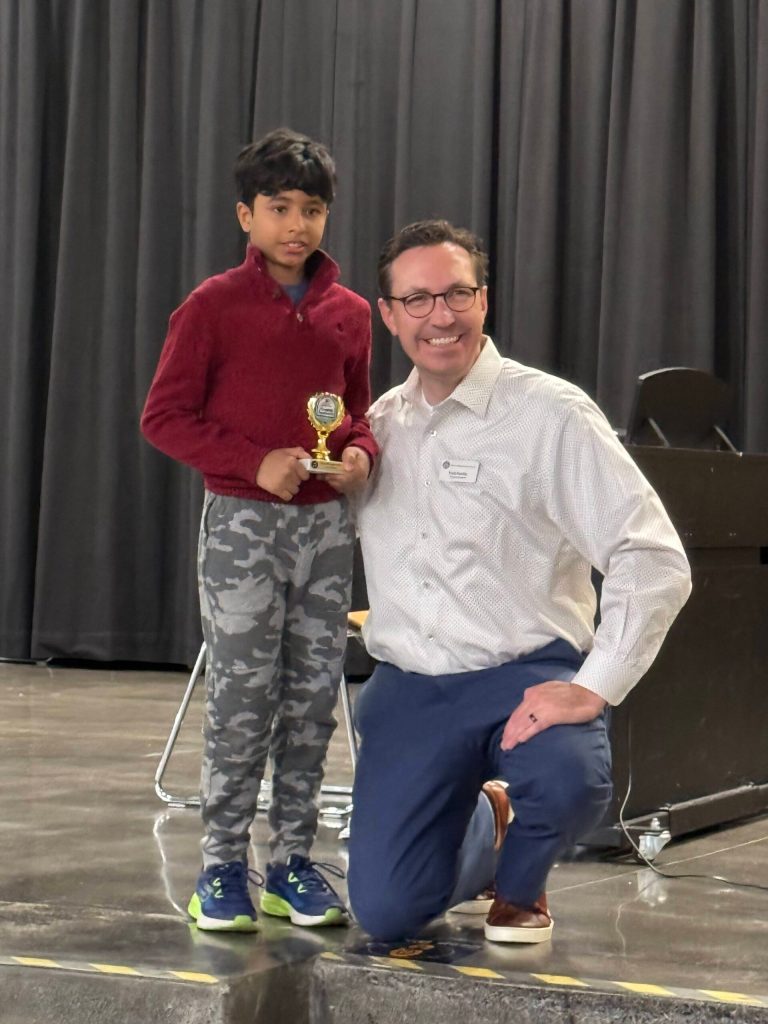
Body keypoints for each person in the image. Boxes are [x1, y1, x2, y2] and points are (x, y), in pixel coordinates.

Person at [347, 219, 691, 944]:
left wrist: (595, 682)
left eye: (457, 294)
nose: (440, 316)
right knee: (386, 915)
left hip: (523, 673)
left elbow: (650, 553)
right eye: (417, 300)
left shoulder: (549, 414)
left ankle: (522, 883)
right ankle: (490, 821)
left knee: (569, 780)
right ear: (388, 315)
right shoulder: (375, 428)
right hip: (411, 690)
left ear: (483, 300)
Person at [141, 128, 377, 932]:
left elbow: (358, 417)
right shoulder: (210, 307)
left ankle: (291, 865)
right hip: (242, 525)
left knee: (312, 700)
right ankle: (220, 870)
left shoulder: (348, 314)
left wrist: (358, 459)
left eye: (312, 210)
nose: (296, 226)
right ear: (247, 215)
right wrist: (251, 462)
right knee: (243, 697)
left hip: (325, 533)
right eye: (279, 208)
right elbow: (163, 417)